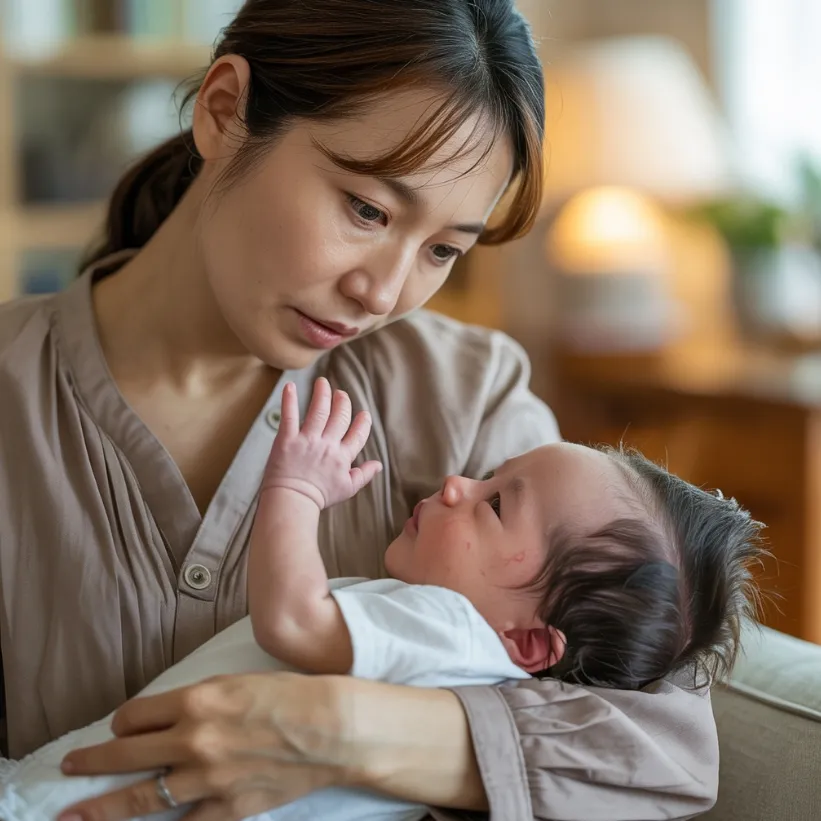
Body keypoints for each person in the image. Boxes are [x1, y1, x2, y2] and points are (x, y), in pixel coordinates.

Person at [0, 1, 724, 819]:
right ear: (225, 112)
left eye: (443, 249)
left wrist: (335, 728)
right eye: (367, 210)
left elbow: (662, 744)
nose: (382, 293)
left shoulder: (464, 398)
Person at [0, 378, 763, 821]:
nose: (458, 484)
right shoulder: (456, 650)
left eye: (495, 504)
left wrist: (296, 488)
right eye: (488, 475)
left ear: (527, 645)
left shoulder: (450, 629)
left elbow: (294, 619)